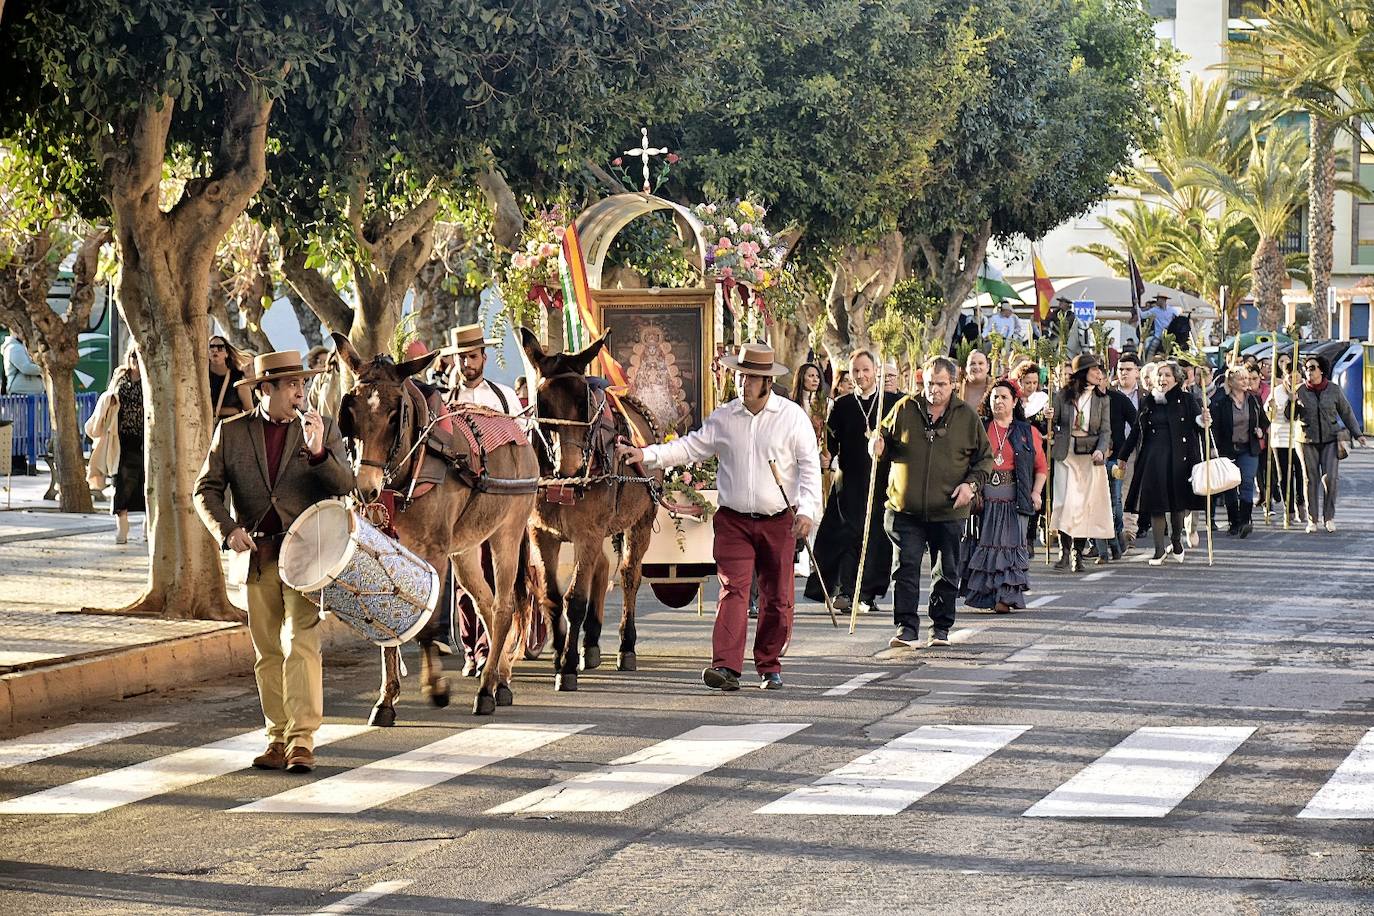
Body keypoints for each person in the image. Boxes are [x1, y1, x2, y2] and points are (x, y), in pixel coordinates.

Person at [616, 342, 821, 691]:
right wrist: (645, 454)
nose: (743, 384)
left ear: (766, 382)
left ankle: (769, 665)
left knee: (777, 597)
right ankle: (725, 667)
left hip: (777, 520)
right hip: (734, 520)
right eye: (740, 376)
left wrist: (807, 511)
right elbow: (689, 447)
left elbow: (809, 468)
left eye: (751, 378)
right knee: (732, 590)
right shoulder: (725, 417)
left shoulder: (792, 418)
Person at [193, 350, 353, 774]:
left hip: (306, 557)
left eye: (303, 384)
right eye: (292, 385)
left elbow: (344, 484)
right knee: (266, 652)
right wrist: (227, 530)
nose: (301, 392)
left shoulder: (321, 428)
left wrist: (319, 451)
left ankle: (302, 740)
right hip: (257, 557)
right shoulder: (231, 432)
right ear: (266, 389)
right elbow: (205, 489)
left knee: (300, 644)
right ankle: (276, 737)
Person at [873, 356, 991, 649]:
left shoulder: (967, 416)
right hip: (905, 507)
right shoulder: (904, 408)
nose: (933, 390)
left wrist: (970, 485)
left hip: (949, 508)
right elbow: (883, 440)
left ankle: (940, 627)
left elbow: (985, 460)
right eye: (929, 383)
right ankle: (906, 628)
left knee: (946, 569)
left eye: (940, 384)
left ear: (953, 383)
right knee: (905, 566)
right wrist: (876, 443)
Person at [439, 323, 522, 674]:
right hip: (461, 501)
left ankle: (495, 648)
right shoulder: (444, 402)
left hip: (501, 499)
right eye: (462, 358)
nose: (467, 364)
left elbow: (522, 442)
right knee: (463, 582)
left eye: (472, 357)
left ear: (484, 358)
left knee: (496, 571)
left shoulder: (503, 397)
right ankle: (472, 649)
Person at [808, 351, 900, 613]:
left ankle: (867, 593)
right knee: (847, 535)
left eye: (865, 370)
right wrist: (824, 454)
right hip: (848, 481)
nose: (861, 376)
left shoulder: (892, 402)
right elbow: (831, 445)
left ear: (875, 371)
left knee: (876, 538)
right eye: (856, 371)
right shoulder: (842, 404)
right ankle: (846, 591)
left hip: (881, 481)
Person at [963, 380, 1045, 613]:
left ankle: (1006, 597)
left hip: (1015, 498)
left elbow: (1041, 467)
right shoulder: (980, 427)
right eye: (995, 397)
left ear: (1015, 401)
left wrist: (1036, 492)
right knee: (986, 545)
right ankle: (987, 596)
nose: (998, 401)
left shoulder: (1028, 432)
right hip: (985, 499)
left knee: (1010, 547)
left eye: (1004, 397)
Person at [1127, 361, 1209, 565]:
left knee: (1177, 503)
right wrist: (1122, 456)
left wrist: (1203, 420)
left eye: (1167, 375)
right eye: (1159, 375)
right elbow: (1137, 430)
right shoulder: (1148, 401)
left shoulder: (1187, 399)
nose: (1163, 379)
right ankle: (1158, 549)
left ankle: (1175, 540)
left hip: (1180, 456)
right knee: (1156, 504)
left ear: (1176, 379)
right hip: (1153, 457)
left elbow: (1198, 427)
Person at [1295, 353, 1367, 532]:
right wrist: (1292, 403)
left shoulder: (1333, 389)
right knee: (1310, 479)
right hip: (1306, 439)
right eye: (1306, 368)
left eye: (1312, 368)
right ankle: (1312, 519)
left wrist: (1357, 434)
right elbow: (1290, 417)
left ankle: (1329, 517)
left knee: (1331, 478)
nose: (1308, 372)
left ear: (1322, 370)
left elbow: (1346, 411)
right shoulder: (1299, 390)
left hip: (1330, 439)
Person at [1208, 367, 1269, 538]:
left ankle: (1245, 521)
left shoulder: (1254, 400)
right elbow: (1214, 426)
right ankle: (1233, 522)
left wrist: (1260, 431)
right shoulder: (1221, 400)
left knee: (1247, 482)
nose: (1246, 382)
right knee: (1230, 485)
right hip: (1228, 449)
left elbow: (1264, 421)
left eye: (1247, 378)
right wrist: (1213, 447)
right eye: (1241, 379)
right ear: (1231, 382)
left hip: (1249, 448)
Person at [1092, 365, 1138, 561]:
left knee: (1115, 500)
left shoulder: (1119, 399)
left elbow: (1137, 423)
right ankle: (1100, 546)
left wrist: (1126, 449)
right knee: (1094, 502)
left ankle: (1118, 533)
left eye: (1100, 378)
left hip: (1115, 458)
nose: (1097, 383)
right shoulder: (1086, 401)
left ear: (1106, 379)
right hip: (1091, 457)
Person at [104, 348, 147, 545]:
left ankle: (148, 527)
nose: (136, 360)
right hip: (122, 439)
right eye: (133, 356)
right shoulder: (120, 375)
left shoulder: (150, 377)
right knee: (120, 482)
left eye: (139, 356)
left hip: (146, 438)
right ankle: (122, 527)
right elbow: (109, 398)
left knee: (146, 482)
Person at [1265, 352, 1307, 525]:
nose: (1293, 381)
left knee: (1301, 473)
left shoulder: (1304, 390)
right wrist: (1271, 408)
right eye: (1290, 377)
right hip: (1280, 438)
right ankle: (1288, 509)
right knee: (1284, 475)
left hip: (1298, 438)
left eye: (1297, 377)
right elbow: (1269, 415)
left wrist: (1296, 401)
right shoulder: (1276, 392)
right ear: (1285, 376)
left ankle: (1301, 504)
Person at [209, 335, 254, 421]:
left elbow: (250, 412)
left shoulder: (237, 379)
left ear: (227, 353)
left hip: (230, 429)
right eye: (211, 347)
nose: (215, 350)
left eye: (220, 347)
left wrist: (230, 411)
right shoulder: (202, 378)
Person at [959, 350, 992, 418]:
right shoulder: (955, 388)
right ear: (966, 368)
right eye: (972, 363)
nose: (976, 367)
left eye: (980, 363)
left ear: (988, 367)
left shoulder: (996, 388)